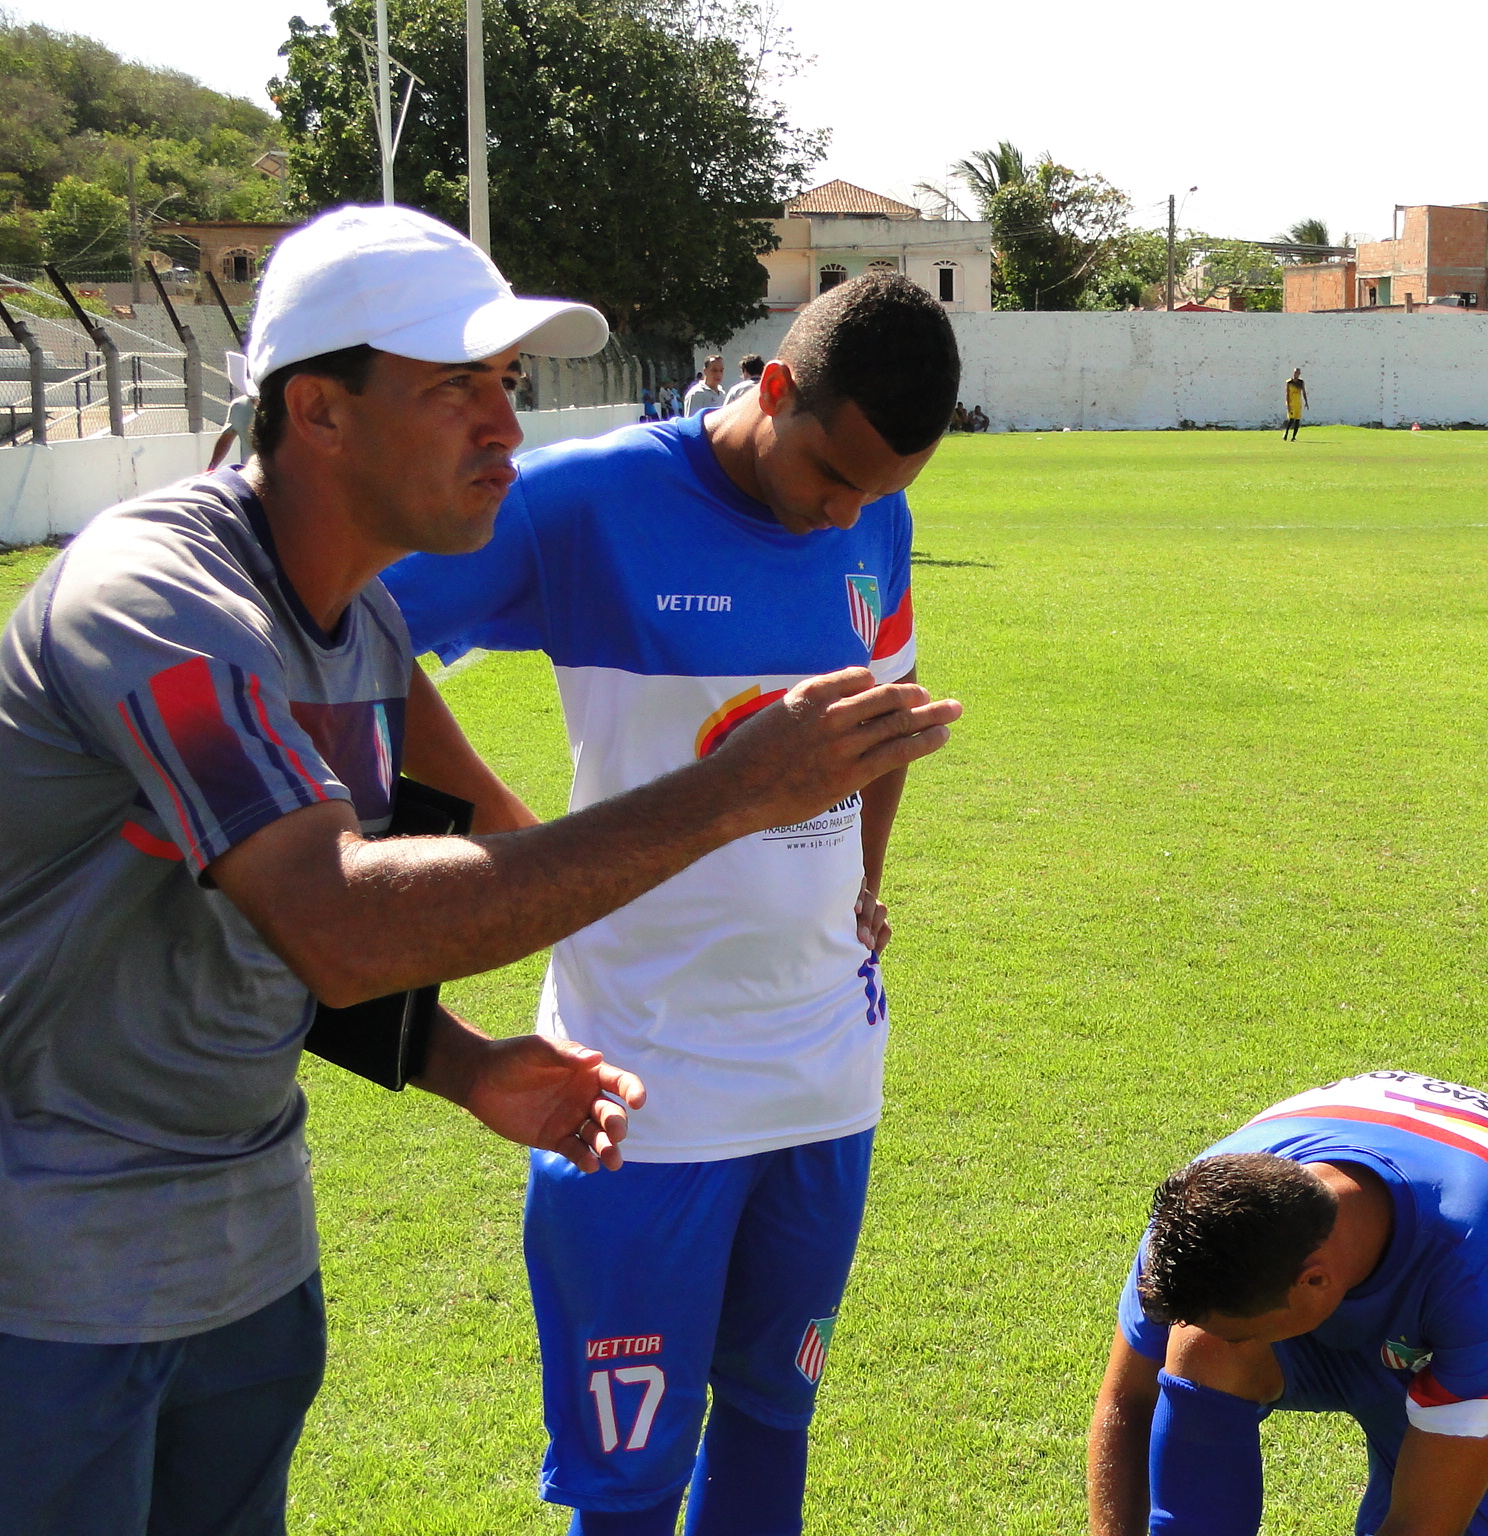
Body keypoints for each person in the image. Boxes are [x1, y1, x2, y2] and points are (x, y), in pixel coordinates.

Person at [0, 206, 958, 1536]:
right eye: (459, 391)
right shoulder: (153, 599)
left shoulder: (357, 633)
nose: (507, 428)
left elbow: (374, 896)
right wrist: (736, 789)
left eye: (507, 387)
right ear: (320, 412)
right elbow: (337, 921)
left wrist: (467, 1066)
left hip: (244, 1244)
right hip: (48, 1272)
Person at [383, 272, 959, 1536]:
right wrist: (501, 822)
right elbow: (350, 633)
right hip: (639, 1079)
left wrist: (864, 881)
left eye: (877, 496)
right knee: (630, 1477)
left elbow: (881, 720)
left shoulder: (871, 518)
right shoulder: (582, 503)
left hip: (825, 1072)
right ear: (769, 389)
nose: (841, 515)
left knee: (771, 1419)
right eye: (829, 474)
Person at [1088, 1070, 1488, 1536]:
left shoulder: (1486, 1267)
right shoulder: (1196, 1220)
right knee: (1202, 1342)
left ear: (1315, 1281)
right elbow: (1129, 1402)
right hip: (1362, 1302)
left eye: (1243, 1332)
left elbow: (1424, 1527)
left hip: (1456, 1336)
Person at [208, 350, 256, 470]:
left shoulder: (286, 405)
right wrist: (211, 467)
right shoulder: (239, 406)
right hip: (251, 476)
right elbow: (226, 437)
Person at [1282, 367, 1307, 441]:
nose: (1297, 374)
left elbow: (1304, 392)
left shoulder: (1301, 382)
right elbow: (1287, 393)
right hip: (1292, 403)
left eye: (1298, 373)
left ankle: (1293, 437)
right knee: (1291, 420)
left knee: (1297, 421)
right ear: (1293, 373)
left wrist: (1306, 402)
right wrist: (1287, 404)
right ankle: (1286, 433)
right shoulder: (1289, 382)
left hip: (1298, 404)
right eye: (1295, 373)